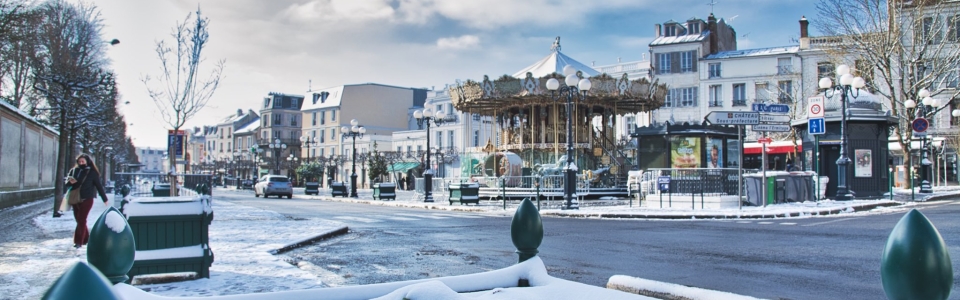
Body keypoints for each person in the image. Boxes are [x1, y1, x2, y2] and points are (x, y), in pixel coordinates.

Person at [66, 154, 109, 249]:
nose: (81, 163)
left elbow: (98, 186)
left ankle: (78, 242)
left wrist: (104, 199)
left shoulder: (92, 173)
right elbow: (67, 183)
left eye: (83, 161)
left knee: (82, 219)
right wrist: (70, 182)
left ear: (87, 161)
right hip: (75, 198)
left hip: (87, 198)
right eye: (79, 161)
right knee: (79, 220)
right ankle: (86, 239)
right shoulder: (74, 171)